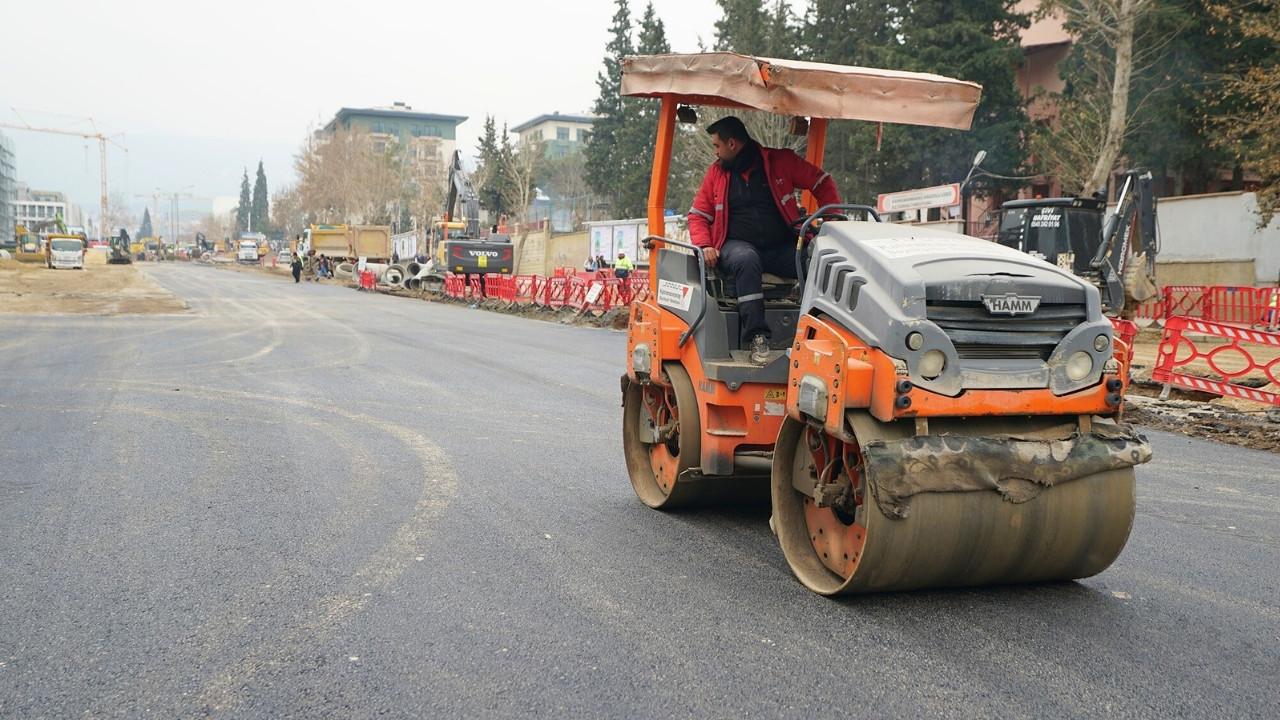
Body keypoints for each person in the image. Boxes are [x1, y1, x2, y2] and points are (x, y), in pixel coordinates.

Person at [688, 115, 840, 365]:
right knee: (747, 260)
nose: (715, 152)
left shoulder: (781, 161)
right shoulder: (715, 174)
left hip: (780, 247)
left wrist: (833, 222)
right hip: (735, 246)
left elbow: (822, 182)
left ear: (732, 144)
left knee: (816, 261)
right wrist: (705, 245)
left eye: (717, 146)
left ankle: (821, 334)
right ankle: (758, 338)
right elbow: (697, 216)